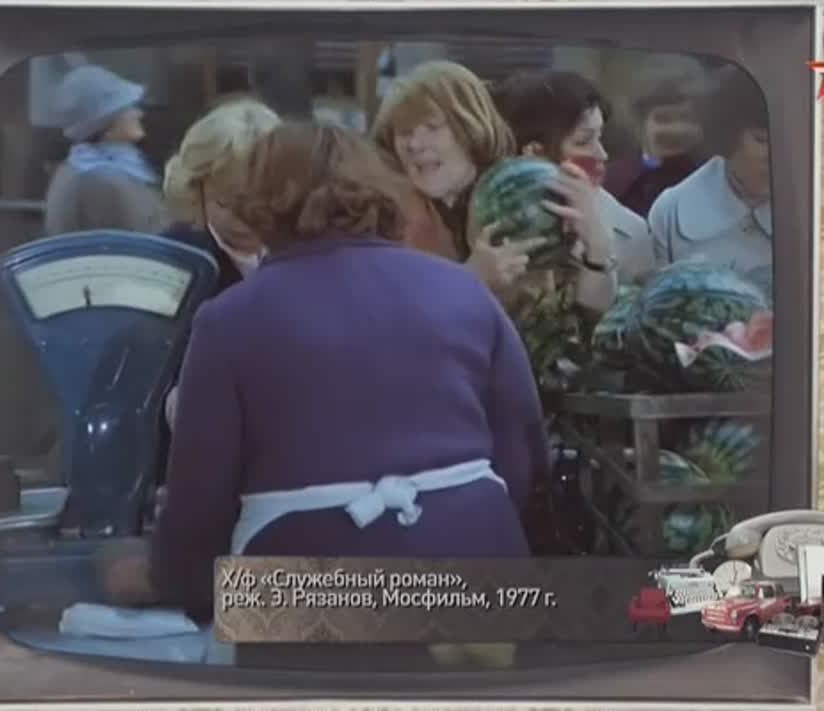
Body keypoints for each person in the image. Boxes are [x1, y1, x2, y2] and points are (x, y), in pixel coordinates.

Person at [149, 122, 548, 622]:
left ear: (260, 204)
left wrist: (186, 590)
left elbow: (198, 503)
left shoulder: (227, 320)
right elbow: (523, 451)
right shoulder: (464, 289)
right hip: (483, 568)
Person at [157, 98, 281, 429]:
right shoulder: (170, 264)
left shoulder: (300, 251)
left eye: (259, 202)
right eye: (226, 203)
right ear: (195, 191)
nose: (244, 218)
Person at [368, 61, 545, 293]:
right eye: (404, 132)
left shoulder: (521, 196)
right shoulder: (384, 217)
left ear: (471, 127)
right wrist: (470, 279)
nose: (415, 144)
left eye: (432, 127)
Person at [490, 69, 654, 292]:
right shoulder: (483, 219)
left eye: (600, 137)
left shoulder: (630, 231)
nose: (602, 154)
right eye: (583, 141)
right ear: (534, 153)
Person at [647, 66, 772, 291]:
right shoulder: (670, 211)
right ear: (727, 137)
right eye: (761, 140)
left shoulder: (818, 209)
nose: (774, 156)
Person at [43, 64, 168, 236]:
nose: (138, 113)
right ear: (105, 123)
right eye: (128, 107)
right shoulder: (97, 181)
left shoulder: (111, 167)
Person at [602, 55, 708, 218]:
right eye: (664, 119)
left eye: (687, 118)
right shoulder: (614, 182)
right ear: (641, 123)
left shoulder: (715, 180)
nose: (677, 130)